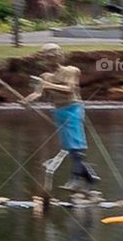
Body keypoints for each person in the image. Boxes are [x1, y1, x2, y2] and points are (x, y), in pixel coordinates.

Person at [20, 43, 100, 194]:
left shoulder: (71, 71)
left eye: (52, 57)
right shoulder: (45, 76)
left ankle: (76, 179)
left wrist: (47, 85)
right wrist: (27, 100)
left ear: (59, 57)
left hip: (73, 108)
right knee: (68, 145)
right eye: (46, 58)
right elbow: (38, 93)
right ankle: (89, 177)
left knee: (75, 144)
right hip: (58, 110)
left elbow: (69, 89)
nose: (49, 60)